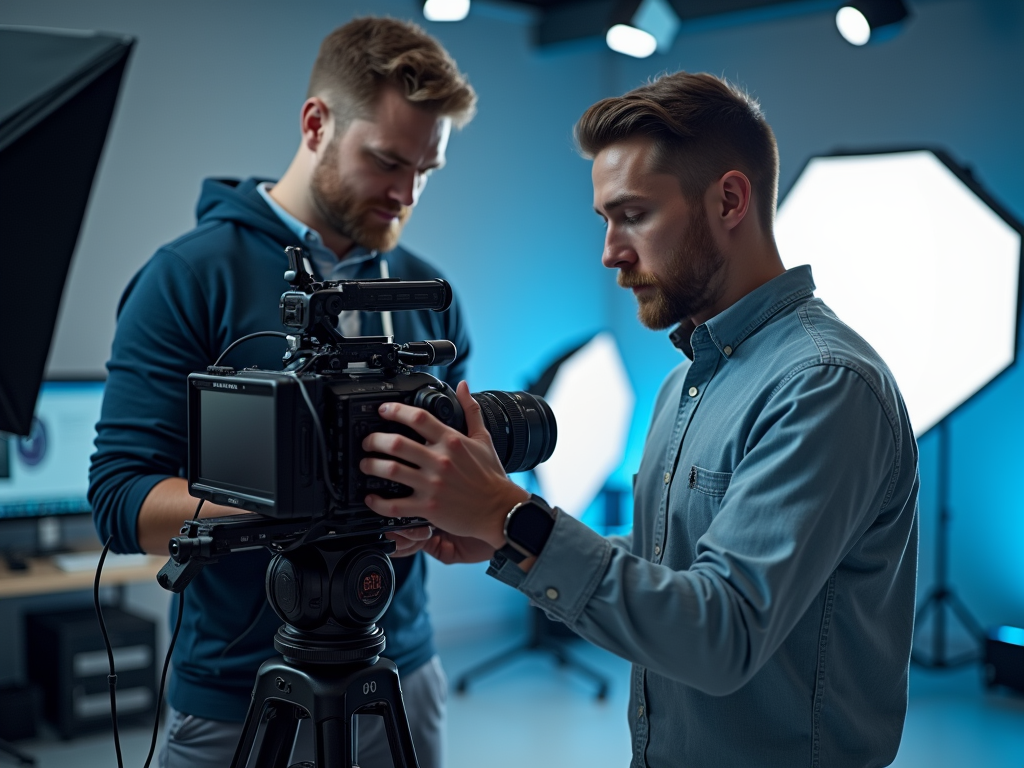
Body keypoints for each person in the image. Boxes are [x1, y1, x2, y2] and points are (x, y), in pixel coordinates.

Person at [357, 72, 920, 768]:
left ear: (730, 200)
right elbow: (673, 565)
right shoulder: (686, 379)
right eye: (605, 220)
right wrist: (507, 534)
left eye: (635, 215)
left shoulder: (824, 386)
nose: (611, 253)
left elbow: (723, 631)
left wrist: (511, 519)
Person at [89, 17, 476, 768]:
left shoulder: (427, 294)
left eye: (426, 170)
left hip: (401, 673)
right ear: (315, 124)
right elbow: (120, 500)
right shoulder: (187, 278)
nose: (406, 193)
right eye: (388, 161)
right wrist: (308, 494)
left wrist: (433, 508)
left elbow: (452, 461)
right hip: (237, 693)